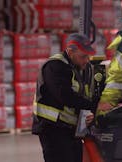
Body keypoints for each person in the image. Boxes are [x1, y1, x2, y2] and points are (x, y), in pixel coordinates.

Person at [32, 33, 96, 162]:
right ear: (70, 51)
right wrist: (93, 106)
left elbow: (83, 95)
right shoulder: (55, 66)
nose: (86, 60)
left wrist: (91, 113)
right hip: (53, 129)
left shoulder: (78, 68)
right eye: (83, 56)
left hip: (70, 130)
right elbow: (65, 96)